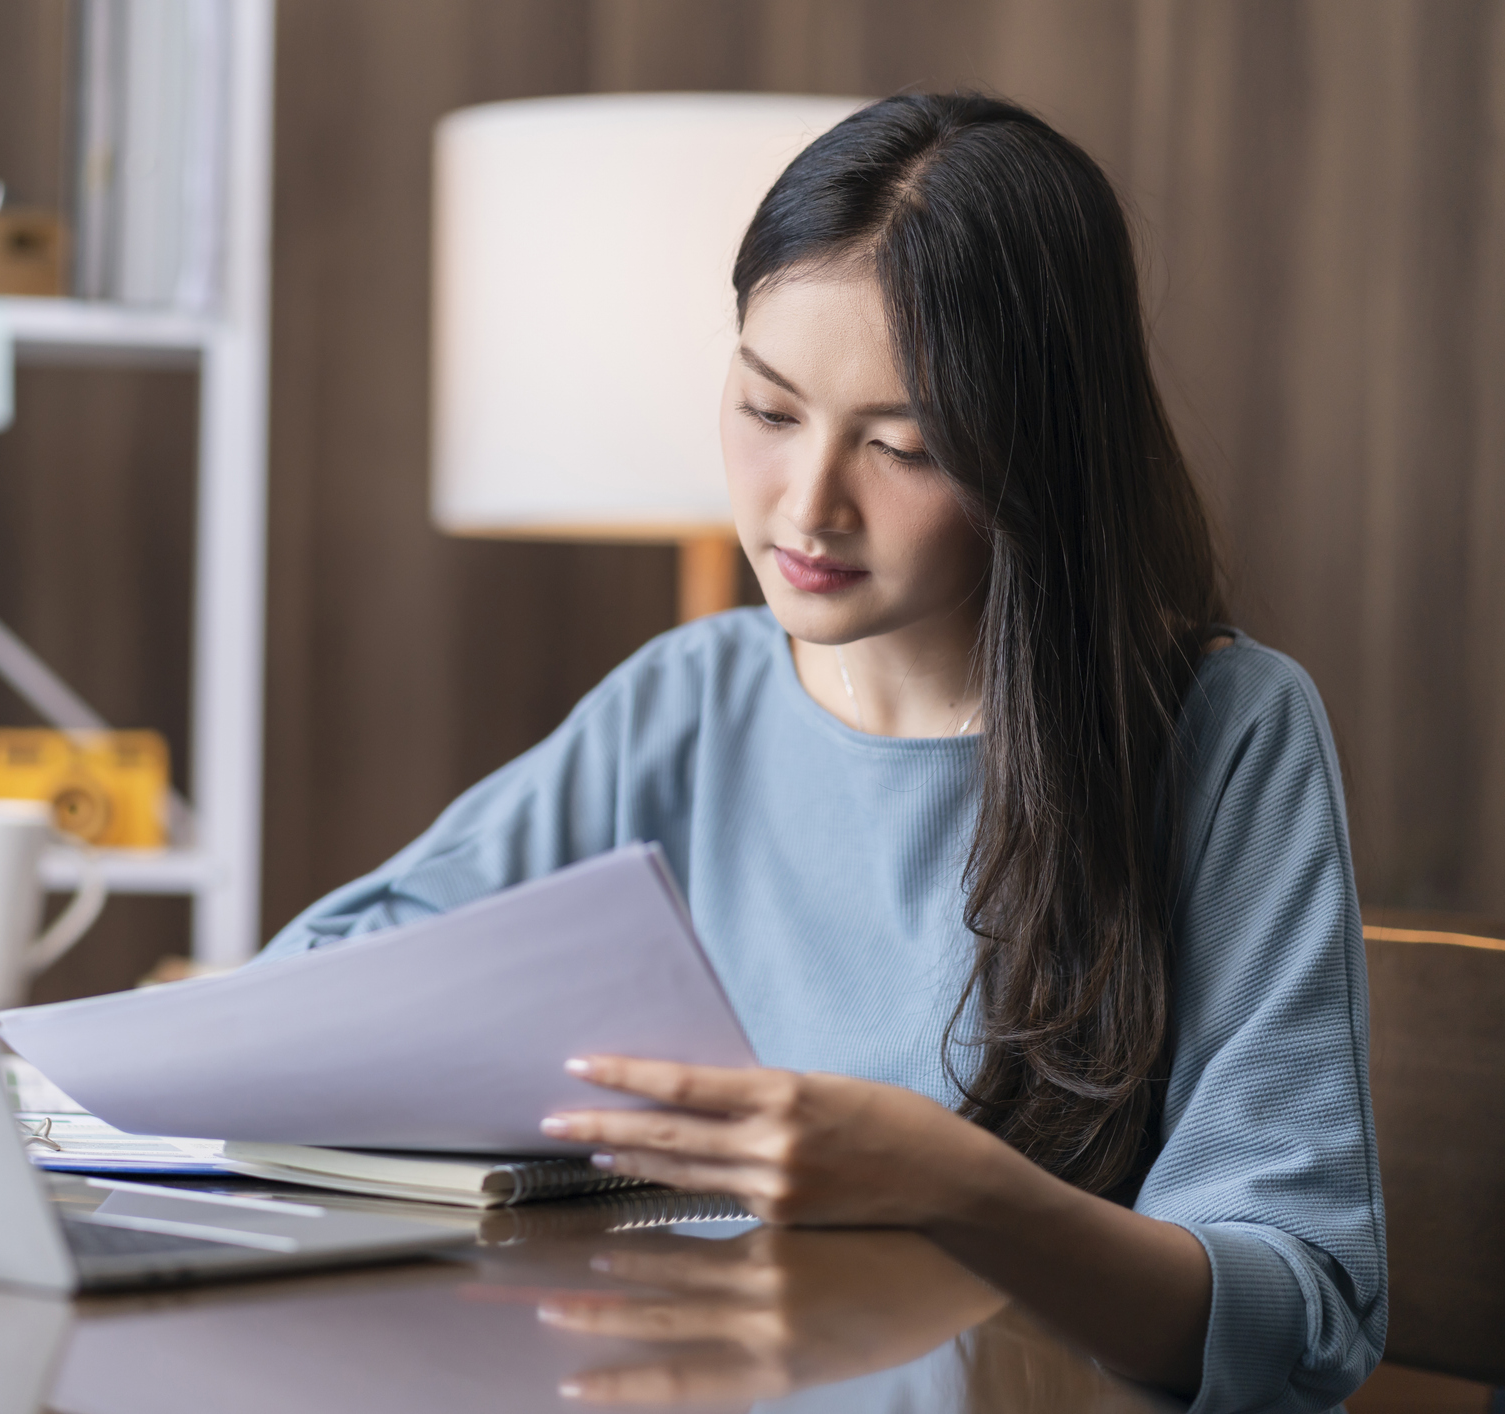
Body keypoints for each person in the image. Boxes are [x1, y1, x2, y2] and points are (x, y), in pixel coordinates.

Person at [260, 93, 1384, 1411]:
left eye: (902, 445)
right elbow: (313, 995)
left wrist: (957, 1189)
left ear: (1038, 457)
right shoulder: (685, 704)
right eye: (768, 408)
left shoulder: (1225, 738)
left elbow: (1298, 1320)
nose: (805, 506)